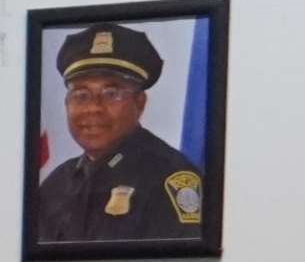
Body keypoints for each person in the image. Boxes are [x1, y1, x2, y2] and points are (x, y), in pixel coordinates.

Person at [31, 23, 206, 246]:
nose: (93, 108)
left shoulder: (170, 180)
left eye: (111, 93)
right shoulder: (55, 184)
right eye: (81, 95)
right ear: (67, 103)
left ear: (139, 103)